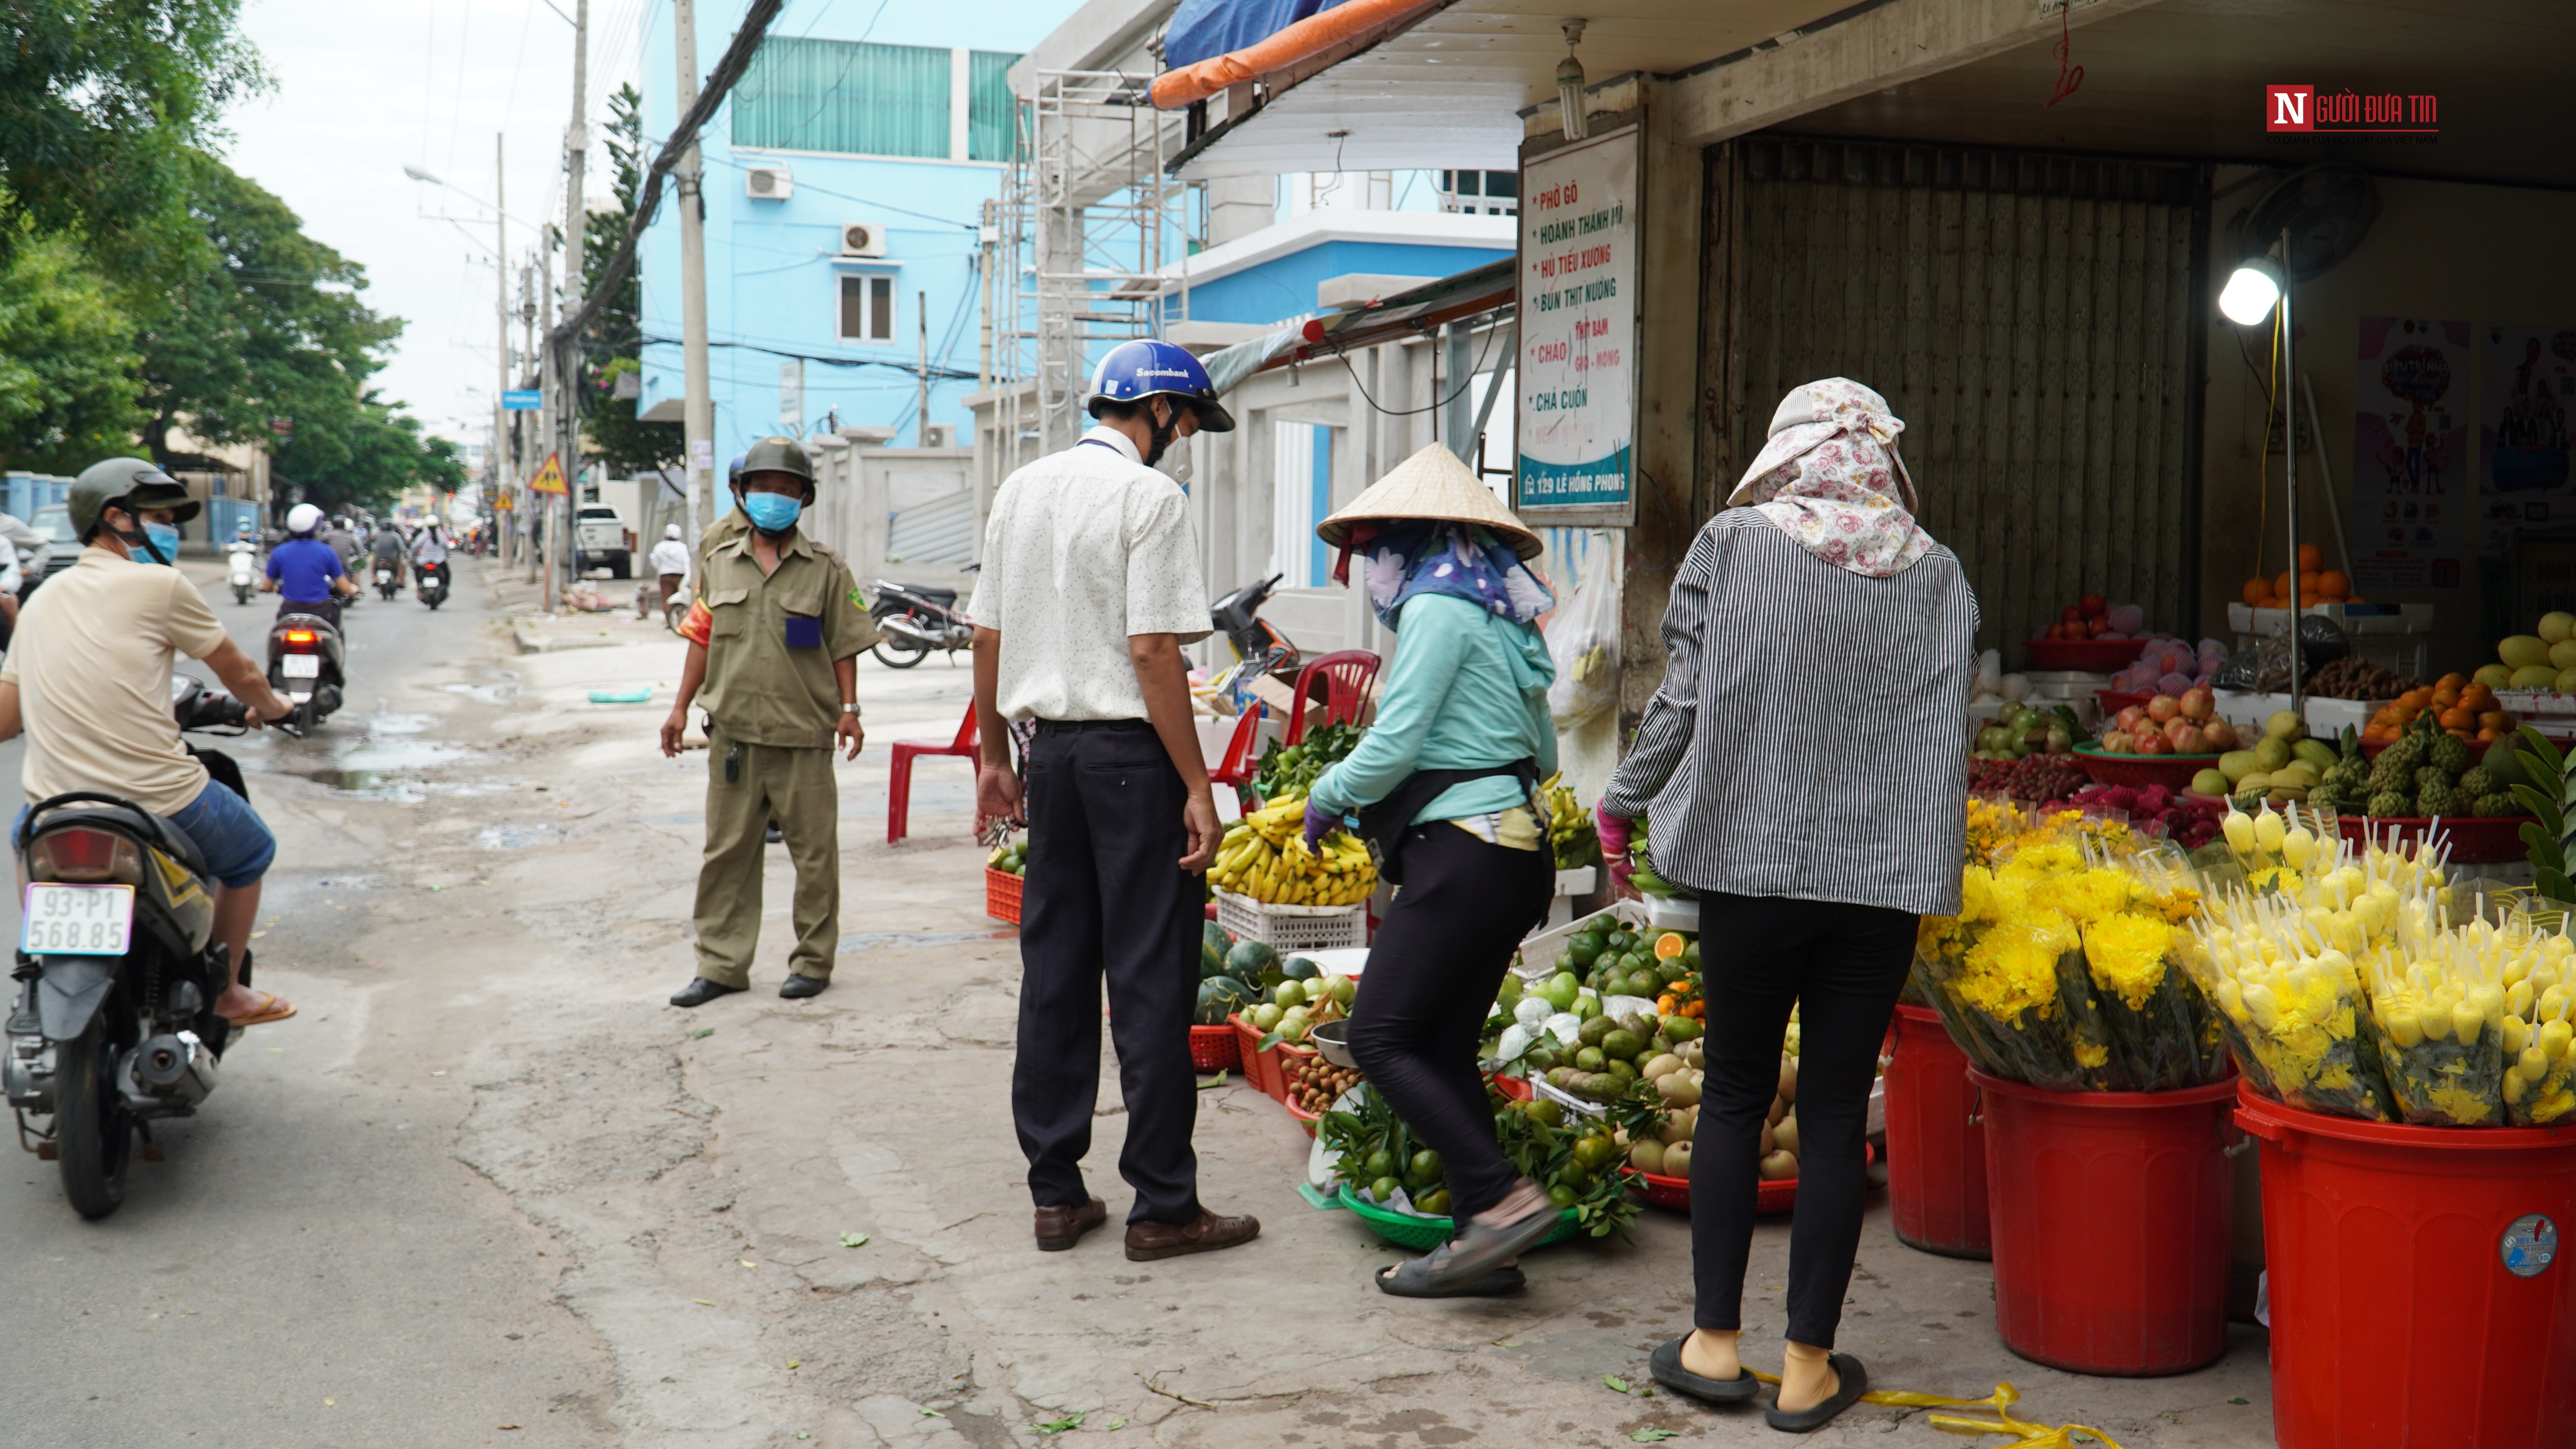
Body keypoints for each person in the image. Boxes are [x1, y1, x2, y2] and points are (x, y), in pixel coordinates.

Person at [1601, 379, 1975, 1432]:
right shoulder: (1938, 571)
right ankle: (1808, 1367)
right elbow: (1952, 731)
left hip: (1750, 872)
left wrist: (1622, 802)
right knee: (1830, 1115)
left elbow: (1683, 698)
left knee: (1730, 1097)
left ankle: (1714, 1345)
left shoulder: (1733, 544)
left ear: (1788, 452)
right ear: (1879, 459)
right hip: (1879, 886)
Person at [970, 339, 1260, 1263]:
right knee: (1148, 978)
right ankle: (1164, 1203)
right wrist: (1199, 785)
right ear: (1164, 412)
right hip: (1132, 760)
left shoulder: (1024, 488)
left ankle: (1056, 1194)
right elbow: (1152, 652)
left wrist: (990, 752)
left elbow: (988, 632)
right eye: (1186, 421)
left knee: (1055, 971)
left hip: (1049, 754)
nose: (1183, 439)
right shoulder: (1149, 497)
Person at [1300, 443, 1562, 1297]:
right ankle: (1487, 1245)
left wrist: (1330, 793)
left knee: (1379, 1034)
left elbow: (1399, 737)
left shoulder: (1439, 611)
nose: (1371, 567)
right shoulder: (1503, 616)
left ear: (1404, 545)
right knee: (1443, 1045)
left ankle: (1500, 1199)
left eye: (1375, 548)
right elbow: (1547, 748)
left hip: (1464, 849)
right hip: (1517, 851)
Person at [0, 459, 300, 1028]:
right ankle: (229, 991)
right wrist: (274, 706)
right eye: (158, 517)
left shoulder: (41, 600)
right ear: (117, 518)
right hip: (162, 801)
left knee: (25, 840)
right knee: (251, 852)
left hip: (54, 809)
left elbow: (5, 721)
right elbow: (238, 671)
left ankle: (39, 971)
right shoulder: (160, 584)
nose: (168, 530)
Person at [658, 437, 872, 1006]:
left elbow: (846, 644)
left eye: (786, 488)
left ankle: (812, 962)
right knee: (726, 856)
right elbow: (702, 639)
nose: (773, 497)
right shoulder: (719, 563)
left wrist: (849, 711)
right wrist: (680, 708)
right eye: (763, 488)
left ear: (804, 498)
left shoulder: (826, 569)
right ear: (743, 493)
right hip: (733, 740)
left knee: (815, 856)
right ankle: (722, 966)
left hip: (803, 737)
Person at [263, 503, 358, 627]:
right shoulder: (327, 552)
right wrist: (353, 589)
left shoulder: (279, 552)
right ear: (317, 527)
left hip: (289, 611)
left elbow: (266, 587)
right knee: (337, 630)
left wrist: (277, 588)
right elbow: (345, 588)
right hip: (321, 612)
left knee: (277, 636)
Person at [649, 523, 692, 613]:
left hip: (665, 576)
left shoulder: (659, 547)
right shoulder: (683, 547)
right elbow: (687, 563)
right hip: (680, 577)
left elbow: (655, 563)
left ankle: (667, 621)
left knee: (667, 599)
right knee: (682, 599)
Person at [367, 519, 407, 587]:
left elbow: (371, 547)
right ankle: (400, 580)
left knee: (372, 563)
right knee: (403, 565)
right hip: (392, 559)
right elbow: (402, 549)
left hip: (378, 559)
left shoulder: (376, 535)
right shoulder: (395, 536)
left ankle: (375, 579)